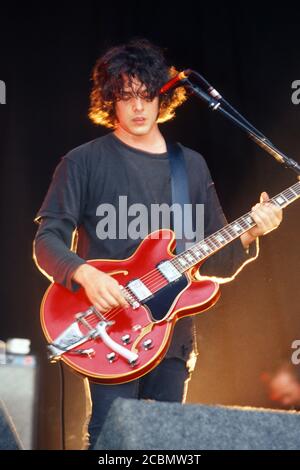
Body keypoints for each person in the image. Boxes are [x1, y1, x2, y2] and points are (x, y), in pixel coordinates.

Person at [33, 38, 283, 449]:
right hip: (110, 330)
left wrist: (253, 232)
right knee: (113, 444)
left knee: (165, 447)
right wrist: (84, 273)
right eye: (125, 96)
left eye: (146, 95)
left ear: (161, 97)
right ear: (109, 100)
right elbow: (47, 240)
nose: (137, 107)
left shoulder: (191, 166)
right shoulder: (82, 162)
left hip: (172, 335)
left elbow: (216, 265)